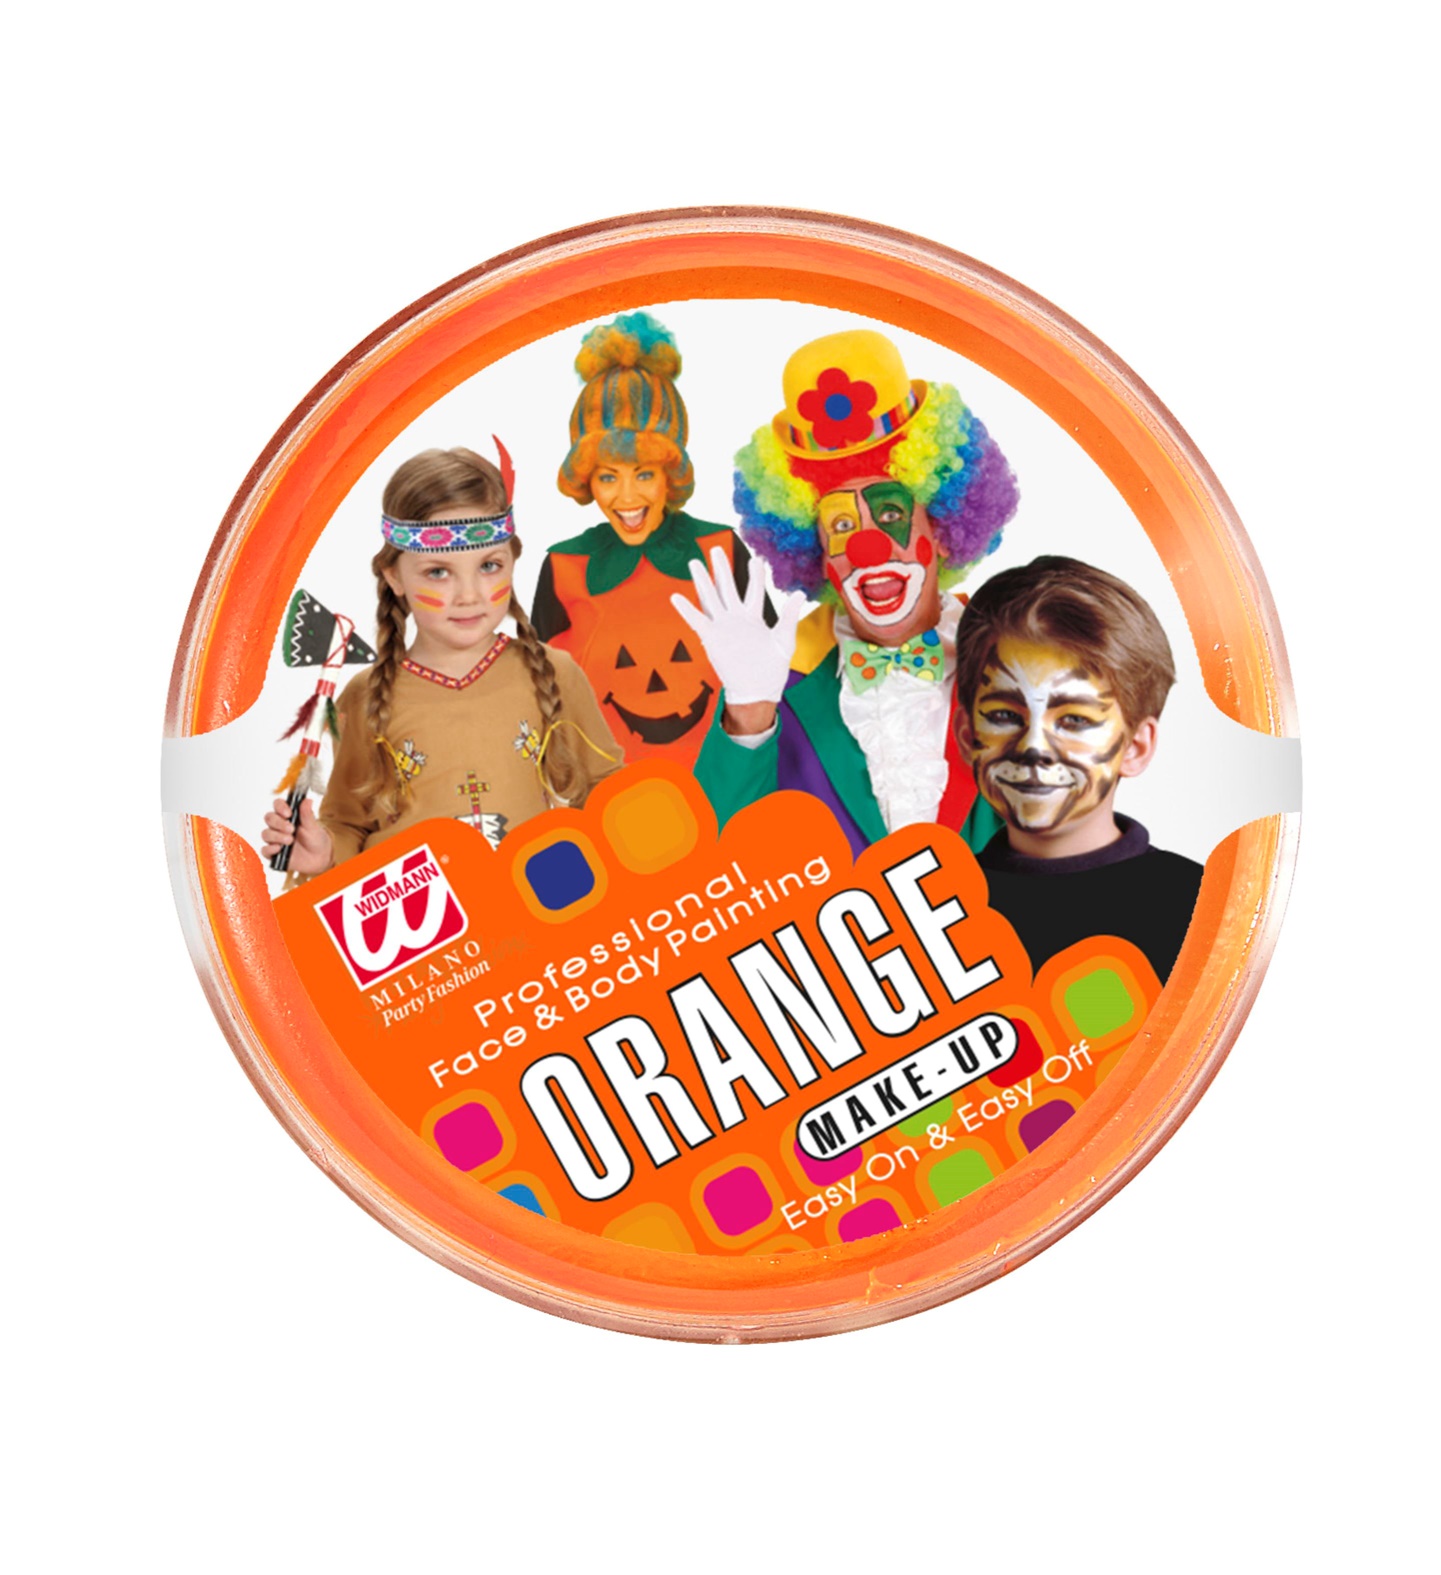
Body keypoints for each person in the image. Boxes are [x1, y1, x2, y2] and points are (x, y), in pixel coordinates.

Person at [674, 328, 1019, 855]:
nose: (867, 548)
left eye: (890, 513)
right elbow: (721, 864)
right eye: (839, 526)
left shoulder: (1012, 653)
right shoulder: (781, 678)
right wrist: (749, 713)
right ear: (817, 554)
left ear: (941, 530)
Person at [261, 444, 622, 875]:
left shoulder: (553, 672)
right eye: (438, 572)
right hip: (424, 913)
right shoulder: (365, 696)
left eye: (489, 566)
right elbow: (349, 823)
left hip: (532, 900)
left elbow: (606, 794)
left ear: (512, 561)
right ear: (394, 575)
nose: (469, 595)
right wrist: (325, 853)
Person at [953, 554, 1203, 983]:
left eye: (1074, 720)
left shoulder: (1205, 911)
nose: (1034, 748)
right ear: (966, 734)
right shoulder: (936, 911)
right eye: (1004, 715)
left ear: (1136, 747)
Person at [530, 311, 764, 768]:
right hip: (607, 792)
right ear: (587, 479)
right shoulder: (564, 567)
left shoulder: (719, 549)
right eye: (608, 477)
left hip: (725, 781)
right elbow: (540, 699)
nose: (627, 497)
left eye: (644, 474)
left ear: (669, 474)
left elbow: (772, 676)